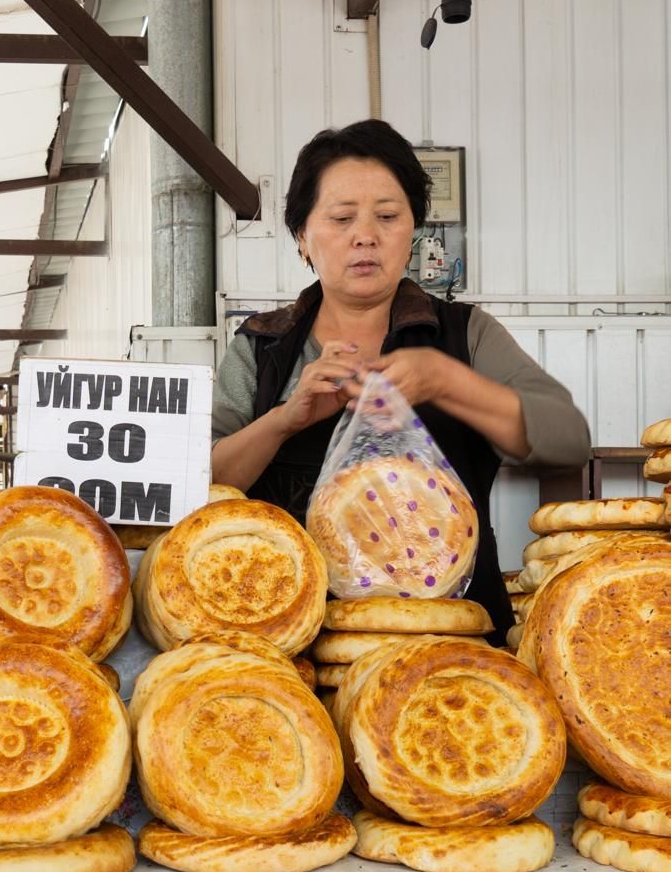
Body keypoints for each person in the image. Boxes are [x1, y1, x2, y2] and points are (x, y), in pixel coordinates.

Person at [211, 120, 591, 641]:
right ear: (302, 238)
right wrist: (284, 420)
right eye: (342, 217)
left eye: (388, 216)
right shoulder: (263, 346)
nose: (365, 235)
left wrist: (446, 382)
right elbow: (200, 483)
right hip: (288, 635)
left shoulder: (463, 334)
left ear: (412, 232)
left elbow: (567, 439)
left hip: (450, 635)